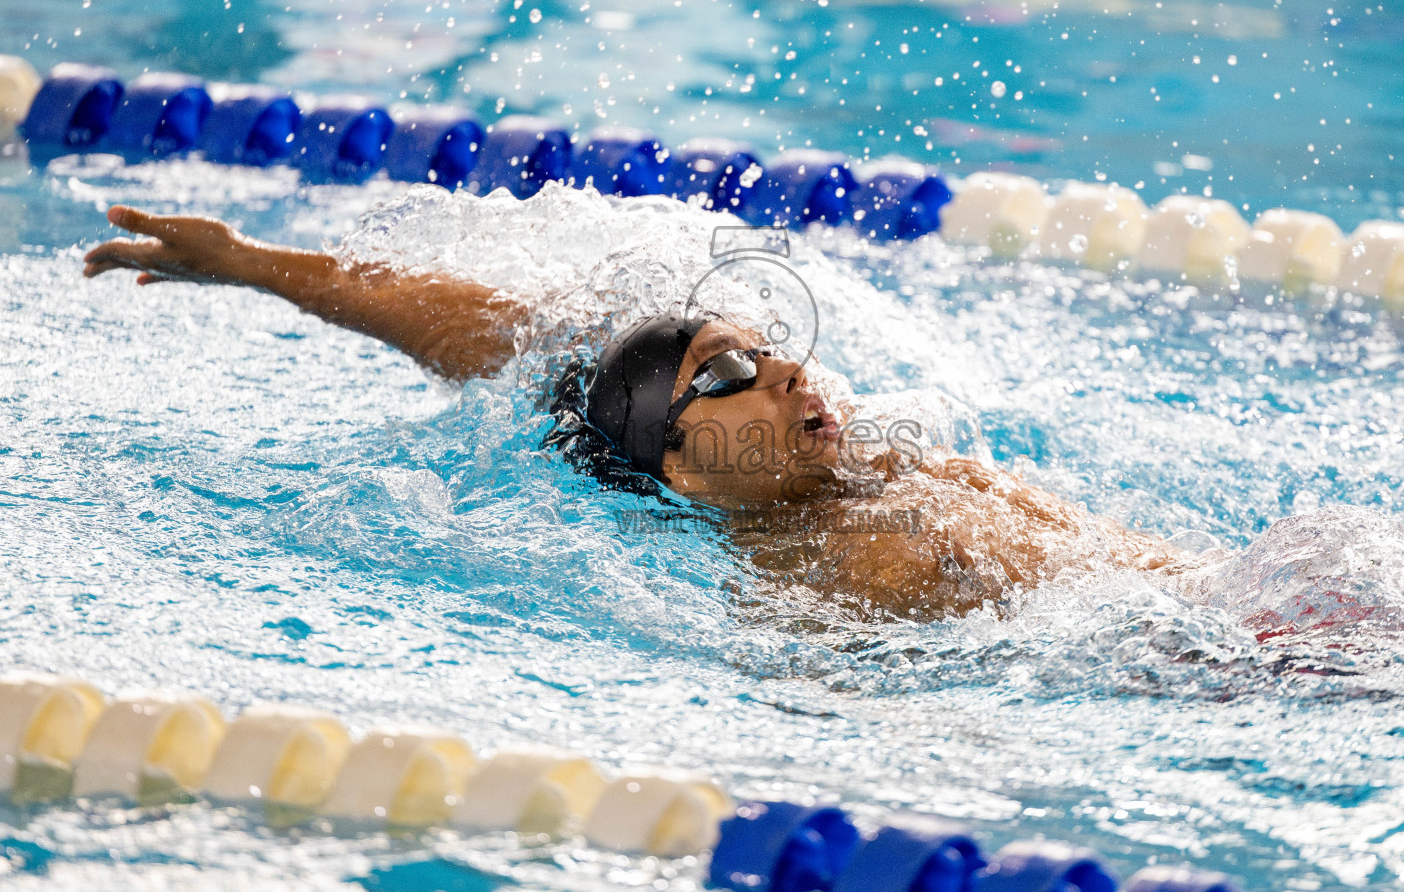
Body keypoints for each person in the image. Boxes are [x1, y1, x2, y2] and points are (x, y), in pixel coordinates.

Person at [84, 203, 1181, 621]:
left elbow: (525, 345)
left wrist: (261, 266)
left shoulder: (885, 464)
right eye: (726, 377)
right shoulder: (833, 579)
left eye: (766, 351)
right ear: (682, 473)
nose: (786, 373)